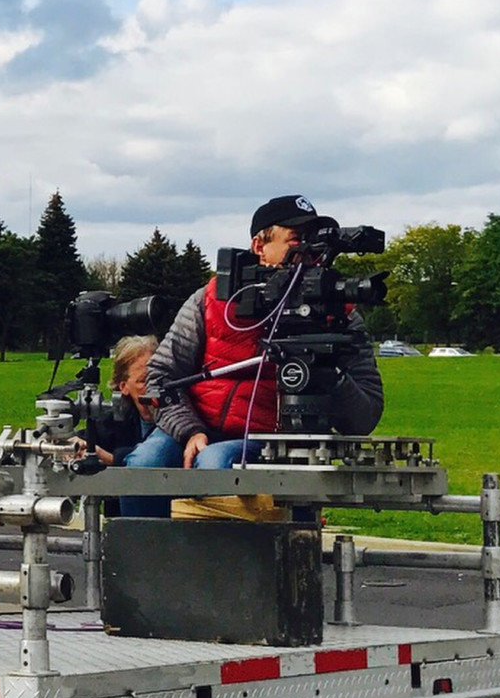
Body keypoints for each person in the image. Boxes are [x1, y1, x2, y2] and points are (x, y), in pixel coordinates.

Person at [123, 195, 384, 514]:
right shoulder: (210, 299)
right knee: (143, 464)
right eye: (297, 240)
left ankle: (223, 562)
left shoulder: (341, 313)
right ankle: (143, 561)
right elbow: (162, 375)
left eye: (316, 242)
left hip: (274, 438)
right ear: (259, 245)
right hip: (197, 423)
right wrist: (191, 430)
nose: (310, 253)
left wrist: (332, 377)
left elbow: (367, 415)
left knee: (216, 462)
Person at [74, 334, 161, 461]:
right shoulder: (117, 419)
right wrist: (75, 444)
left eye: (158, 378)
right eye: (143, 381)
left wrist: (113, 459)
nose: (154, 386)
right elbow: (86, 438)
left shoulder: (182, 419)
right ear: (124, 386)